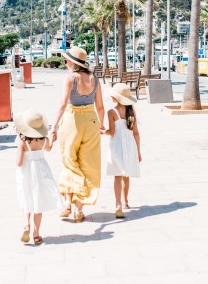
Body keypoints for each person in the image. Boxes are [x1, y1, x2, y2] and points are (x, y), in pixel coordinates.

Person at [51, 46, 104, 223]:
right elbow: (101, 106)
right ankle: (79, 210)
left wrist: (54, 127)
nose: (65, 63)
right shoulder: (95, 80)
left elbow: (62, 104)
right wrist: (101, 125)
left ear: (73, 62)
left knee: (69, 161)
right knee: (88, 165)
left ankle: (67, 202)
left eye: (66, 60)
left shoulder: (70, 78)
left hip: (72, 121)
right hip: (91, 121)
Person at [15, 109, 62, 245]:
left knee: (27, 199)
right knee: (38, 201)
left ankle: (26, 226)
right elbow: (49, 148)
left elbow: (19, 162)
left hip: (26, 172)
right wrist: (52, 139)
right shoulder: (44, 140)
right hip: (40, 171)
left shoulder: (22, 142)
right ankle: (36, 234)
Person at [104, 83, 141, 219]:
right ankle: (126, 201)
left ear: (116, 97)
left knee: (117, 176)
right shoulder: (131, 112)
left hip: (117, 146)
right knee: (126, 176)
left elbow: (112, 132)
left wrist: (102, 132)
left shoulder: (111, 112)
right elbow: (136, 133)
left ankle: (118, 205)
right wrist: (139, 151)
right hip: (130, 146)